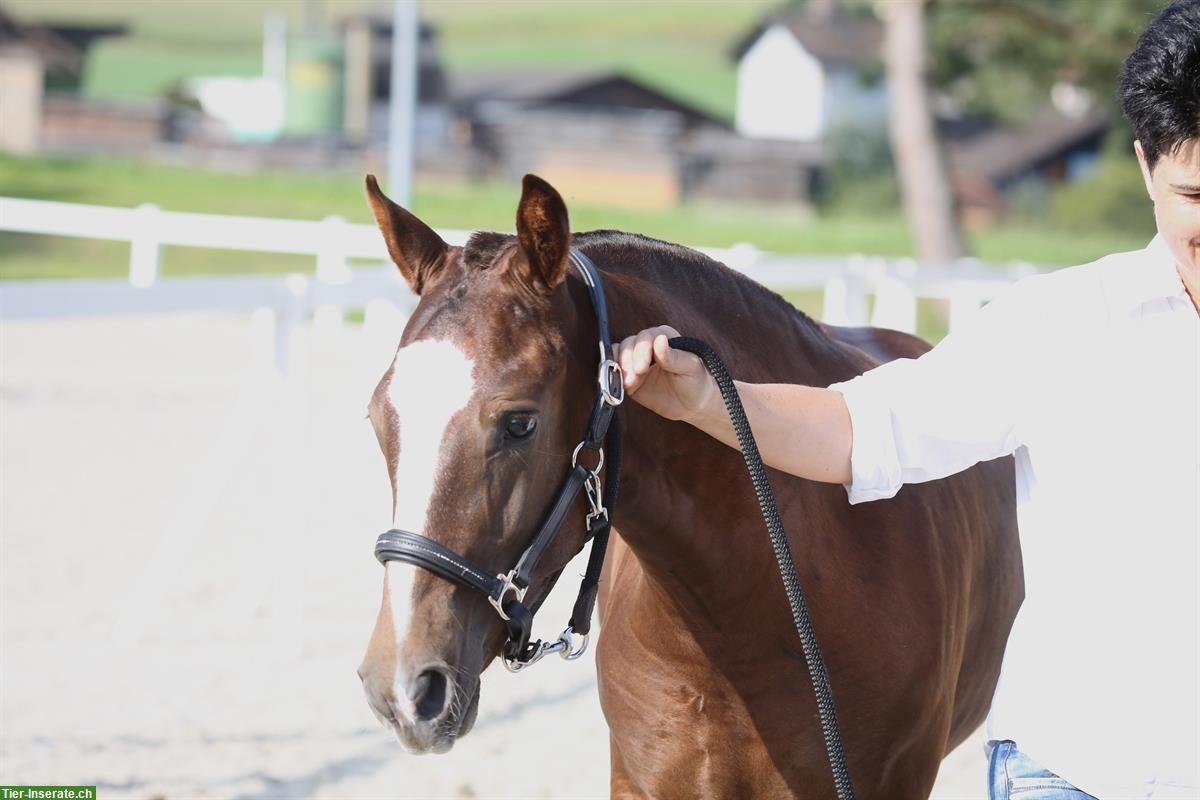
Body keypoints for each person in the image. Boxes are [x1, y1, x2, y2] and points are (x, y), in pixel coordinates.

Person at [614, 3, 1200, 798]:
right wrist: (706, 402)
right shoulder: (1067, 324)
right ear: (1143, 168)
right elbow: (865, 429)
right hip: (1076, 772)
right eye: (1194, 198)